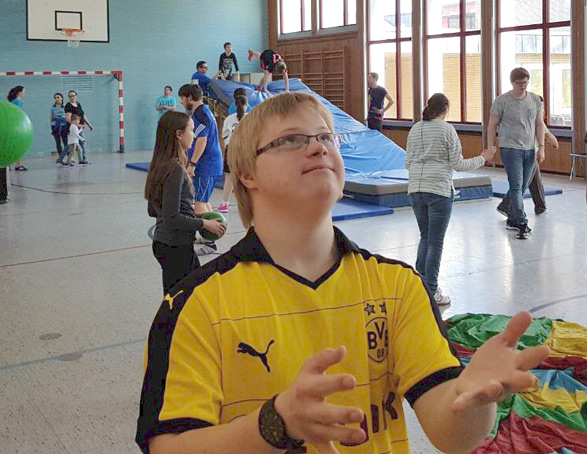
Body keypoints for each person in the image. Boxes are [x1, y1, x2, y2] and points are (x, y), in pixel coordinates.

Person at [136, 91, 549, 454]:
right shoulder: (196, 305)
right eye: (291, 140)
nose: (317, 148)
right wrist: (274, 425)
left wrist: (476, 399)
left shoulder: (398, 287)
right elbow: (168, 446)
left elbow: (454, 435)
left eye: (325, 137)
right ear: (247, 173)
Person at [405, 93, 494, 306]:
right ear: (445, 110)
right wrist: (483, 158)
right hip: (438, 190)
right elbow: (458, 164)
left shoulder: (415, 129)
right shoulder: (447, 130)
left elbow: (408, 163)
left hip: (415, 189)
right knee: (435, 242)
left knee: (425, 237)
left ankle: (420, 286)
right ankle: (432, 290)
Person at [145, 111, 227, 296]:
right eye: (191, 130)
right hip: (176, 246)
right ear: (179, 134)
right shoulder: (175, 169)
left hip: (164, 243)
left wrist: (198, 216)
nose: (194, 136)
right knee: (182, 300)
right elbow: (171, 217)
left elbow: (154, 210)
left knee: (176, 297)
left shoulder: (160, 164)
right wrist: (204, 223)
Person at [487, 67, 546, 240]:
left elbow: (539, 125)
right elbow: (492, 125)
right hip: (510, 149)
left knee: (522, 187)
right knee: (516, 186)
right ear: (512, 82)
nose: (523, 86)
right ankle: (522, 222)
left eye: (525, 83)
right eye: (519, 83)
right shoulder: (502, 101)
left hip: (530, 149)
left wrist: (541, 147)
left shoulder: (535, 99)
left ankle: (512, 218)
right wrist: (490, 148)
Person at [178, 84, 223, 257]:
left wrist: (192, 164)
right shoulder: (203, 111)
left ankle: (211, 244)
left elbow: (201, 141)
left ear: (190, 97)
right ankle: (208, 236)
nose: (181, 102)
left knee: (198, 205)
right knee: (204, 202)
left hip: (206, 165)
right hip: (208, 163)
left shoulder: (200, 114)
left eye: (182, 98)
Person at [217, 88, 249, 214]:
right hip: (245, 149)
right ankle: (249, 205)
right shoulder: (250, 117)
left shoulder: (229, 119)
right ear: (246, 105)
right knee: (247, 177)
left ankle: (225, 205)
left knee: (229, 178)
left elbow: (224, 136)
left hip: (231, 149)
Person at [65, 91, 93, 164]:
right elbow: (68, 118)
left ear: (76, 96)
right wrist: (78, 125)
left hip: (80, 128)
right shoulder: (68, 106)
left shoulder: (78, 104)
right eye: (70, 96)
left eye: (73, 96)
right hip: (74, 128)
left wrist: (89, 124)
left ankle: (82, 159)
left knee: (80, 145)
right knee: (74, 146)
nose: (72, 97)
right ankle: (69, 160)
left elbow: (83, 115)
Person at [7, 86, 29, 171]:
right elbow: (16, 114)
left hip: (15, 126)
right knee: (17, 146)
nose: (24, 94)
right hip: (15, 126)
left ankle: (15, 164)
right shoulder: (17, 102)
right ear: (20, 92)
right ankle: (14, 164)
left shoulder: (15, 101)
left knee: (16, 146)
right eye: (24, 92)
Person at [50, 93, 68, 164]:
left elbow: (67, 116)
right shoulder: (53, 107)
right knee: (58, 142)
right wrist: (52, 126)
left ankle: (68, 156)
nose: (57, 99)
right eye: (55, 98)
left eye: (58, 97)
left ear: (62, 98)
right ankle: (61, 158)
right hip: (55, 126)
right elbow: (51, 117)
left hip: (64, 125)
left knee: (66, 143)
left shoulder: (65, 106)